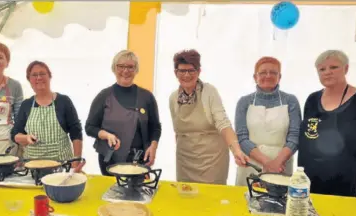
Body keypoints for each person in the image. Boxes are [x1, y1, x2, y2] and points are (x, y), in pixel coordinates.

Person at [298, 50, 356, 197]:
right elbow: (307, 134)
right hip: (310, 177)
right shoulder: (312, 99)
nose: (327, 72)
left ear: (346, 68)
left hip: (344, 179)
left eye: (334, 67)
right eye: (322, 69)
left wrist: (354, 154)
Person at [169, 49, 248, 185]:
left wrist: (236, 150)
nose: (186, 75)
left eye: (191, 70)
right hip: (185, 161)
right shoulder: (173, 98)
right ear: (176, 72)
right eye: (182, 71)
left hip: (212, 162)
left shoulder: (209, 92)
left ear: (199, 72)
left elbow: (223, 123)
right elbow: (178, 132)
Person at [85, 50, 162, 176]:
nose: (125, 71)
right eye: (121, 66)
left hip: (139, 160)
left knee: (136, 193)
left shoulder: (146, 97)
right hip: (110, 159)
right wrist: (106, 135)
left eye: (130, 67)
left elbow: (155, 127)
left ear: (136, 70)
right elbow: (89, 127)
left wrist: (153, 147)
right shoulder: (104, 96)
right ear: (114, 68)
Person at [234, 57, 302, 186]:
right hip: (251, 164)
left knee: (278, 202)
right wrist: (267, 163)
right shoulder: (244, 102)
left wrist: (276, 163)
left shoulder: (291, 100)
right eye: (263, 72)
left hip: (281, 165)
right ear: (255, 77)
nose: (268, 76)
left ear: (279, 77)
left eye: (273, 72)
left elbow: (294, 136)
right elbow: (241, 137)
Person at [11, 61, 83, 166]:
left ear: (49, 76)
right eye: (34, 75)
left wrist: (76, 161)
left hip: (61, 165)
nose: (39, 77)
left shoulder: (64, 101)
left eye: (42, 74)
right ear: (29, 80)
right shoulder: (26, 105)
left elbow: (76, 132)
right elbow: (15, 134)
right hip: (33, 166)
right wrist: (25, 138)